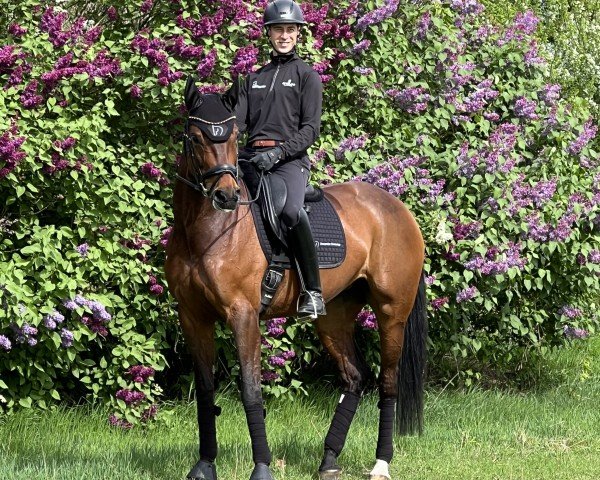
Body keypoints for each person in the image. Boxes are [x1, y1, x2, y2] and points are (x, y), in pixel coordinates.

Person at [230, 0, 326, 320]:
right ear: (268, 34)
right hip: (252, 157)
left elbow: (311, 129)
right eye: (278, 30)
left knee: (290, 210)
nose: (284, 35)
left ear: (298, 33)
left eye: (290, 30)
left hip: (289, 160)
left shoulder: (307, 76)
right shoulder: (254, 78)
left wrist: (280, 153)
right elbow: (238, 124)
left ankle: (313, 292)